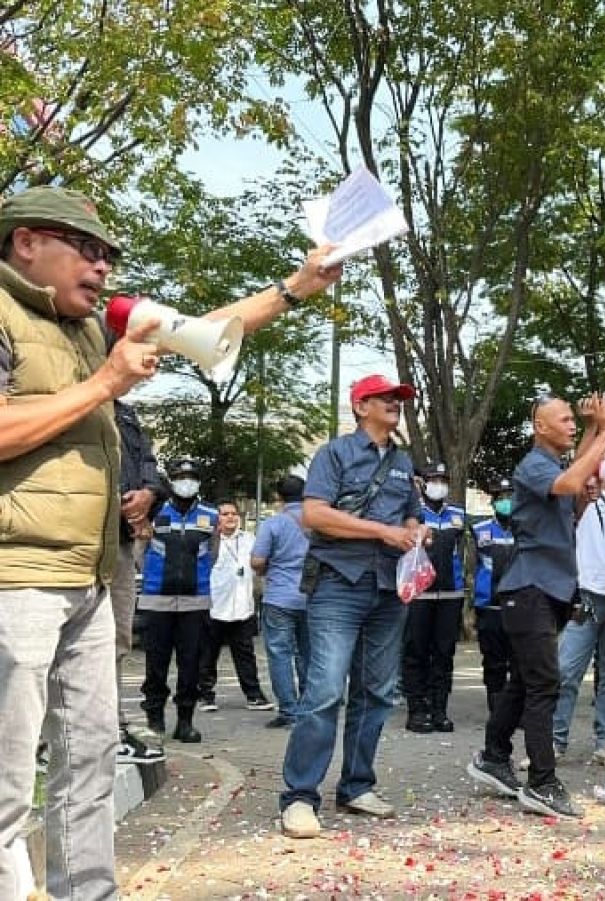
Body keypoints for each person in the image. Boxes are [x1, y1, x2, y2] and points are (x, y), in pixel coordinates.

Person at [0, 183, 340, 899]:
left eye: (107, 258)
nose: (102, 270)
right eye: (86, 251)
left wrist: (295, 288)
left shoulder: (91, 324)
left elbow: (206, 328)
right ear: (27, 242)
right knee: (5, 779)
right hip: (16, 581)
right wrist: (104, 382)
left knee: (88, 762)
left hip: (89, 580)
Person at [279, 374, 426, 838]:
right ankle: (300, 797)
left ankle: (357, 785)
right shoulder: (334, 454)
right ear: (360, 406)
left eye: (398, 400)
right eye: (385, 399)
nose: (394, 406)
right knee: (323, 690)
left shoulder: (403, 461)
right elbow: (315, 514)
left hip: (388, 587)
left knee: (378, 691)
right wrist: (383, 532)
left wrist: (415, 531)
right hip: (338, 584)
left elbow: (412, 513)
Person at [466, 394, 605, 819]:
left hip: (546, 588)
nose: (571, 425)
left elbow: (576, 471)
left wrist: (591, 431)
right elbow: (571, 483)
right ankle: (542, 783)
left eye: (573, 420)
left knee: (523, 681)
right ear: (541, 428)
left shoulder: (553, 463)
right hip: (529, 587)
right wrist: (604, 431)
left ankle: (494, 757)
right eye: (565, 420)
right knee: (544, 683)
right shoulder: (534, 464)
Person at [551, 471, 605, 769]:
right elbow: (573, 490)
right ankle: (554, 742)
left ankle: (604, 744)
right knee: (565, 671)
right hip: (586, 598)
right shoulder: (581, 502)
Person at [138, 457, 220, 743]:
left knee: (191, 665)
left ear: (198, 481)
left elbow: (214, 553)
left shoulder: (211, 515)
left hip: (195, 601)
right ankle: (155, 718)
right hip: (156, 599)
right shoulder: (154, 511)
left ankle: (185, 721)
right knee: (155, 664)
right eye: (180, 476)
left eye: (191, 476)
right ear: (171, 481)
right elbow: (139, 548)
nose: (186, 482)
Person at [112, 400, 168, 762]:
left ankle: (109, 728)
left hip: (118, 541)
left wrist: (149, 493)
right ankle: (43, 739)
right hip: (68, 537)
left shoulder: (126, 412)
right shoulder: (64, 394)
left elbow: (149, 464)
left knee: (112, 639)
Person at [403, 461, 469, 734]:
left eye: (443, 479)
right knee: (416, 651)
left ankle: (439, 709)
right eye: (433, 479)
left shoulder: (458, 515)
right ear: (423, 482)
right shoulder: (413, 514)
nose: (438, 484)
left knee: (444, 653)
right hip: (419, 593)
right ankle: (417, 710)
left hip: (450, 594)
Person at [198, 500, 274, 713]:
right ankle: (205, 696)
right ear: (217, 519)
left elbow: (260, 565)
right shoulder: (208, 542)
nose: (230, 517)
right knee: (207, 655)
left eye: (233, 513)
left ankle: (254, 696)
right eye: (225, 514)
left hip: (242, 608)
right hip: (214, 607)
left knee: (246, 656)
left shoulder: (250, 540)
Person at [252, 475, 311, 728]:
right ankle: (311, 708)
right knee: (309, 654)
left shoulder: (272, 524)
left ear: (279, 497)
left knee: (280, 654)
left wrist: (268, 568)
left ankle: (289, 710)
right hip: (312, 597)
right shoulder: (317, 524)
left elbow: (257, 561)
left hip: (279, 598)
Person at [471, 477, 517, 712]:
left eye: (510, 496)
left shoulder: (526, 530)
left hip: (518, 605)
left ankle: (516, 711)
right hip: (488, 606)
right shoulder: (479, 530)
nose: (506, 501)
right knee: (493, 661)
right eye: (501, 497)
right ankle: (496, 708)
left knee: (519, 661)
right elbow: (473, 565)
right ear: (493, 501)